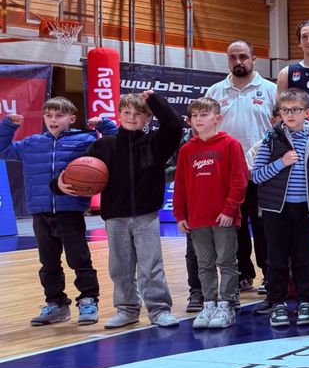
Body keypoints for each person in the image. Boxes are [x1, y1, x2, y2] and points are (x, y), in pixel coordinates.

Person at [1, 98, 115, 326]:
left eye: (59, 115)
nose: (53, 120)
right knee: (48, 263)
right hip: (40, 212)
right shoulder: (31, 144)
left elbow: (115, 145)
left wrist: (104, 125)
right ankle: (56, 304)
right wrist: (7, 127)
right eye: (49, 115)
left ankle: (88, 300)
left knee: (79, 260)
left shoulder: (85, 140)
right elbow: (2, 149)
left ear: (71, 119)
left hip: (70, 211)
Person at [80, 91, 183, 329]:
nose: (132, 117)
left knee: (151, 266)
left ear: (148, 118)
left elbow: (174, 125)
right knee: (120, 268)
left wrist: (154, 100)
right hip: (115, 217)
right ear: (118, 115)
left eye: (138, 114)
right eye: (126, 112)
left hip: (146, 215)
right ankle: (127, 309)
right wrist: (59, 183)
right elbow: (80, 172)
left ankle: (159, 310)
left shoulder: (155, 143)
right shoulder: (102, 145)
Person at [251, 88, 309, 328]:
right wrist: (281, 162)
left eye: (295, 110)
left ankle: (305, 301)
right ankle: (277, 302)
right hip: (275, 210)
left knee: (304, 258)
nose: (290, 114)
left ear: (307, 112)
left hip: (307, 210)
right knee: (276, 259)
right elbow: (256, 175)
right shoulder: (271, 139)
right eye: (285, 110)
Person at [174, 97, 248, 331]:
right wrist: (180, 214)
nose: (198, 119)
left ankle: (226, 304)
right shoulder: (187, 150)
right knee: (204, 264)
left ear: (218, 118)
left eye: (204, 115)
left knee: (226, 262)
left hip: (223, 217)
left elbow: (239, 181)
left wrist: (230, 208)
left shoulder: (230, 145)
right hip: (197, 217)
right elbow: (180, 184)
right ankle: (209, 304)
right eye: (194, 115)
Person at [207, 39, 275, 293]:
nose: (238, 61)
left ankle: (270, 274)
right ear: (228, 60)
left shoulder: (270, 89)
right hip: (227, 172)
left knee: (263, 226)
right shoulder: (215, 91)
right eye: (233, 57)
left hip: (262, 172)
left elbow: (281, 127)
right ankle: (243, 273)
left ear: (254, 59)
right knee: (234, 225)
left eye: (243, 57)